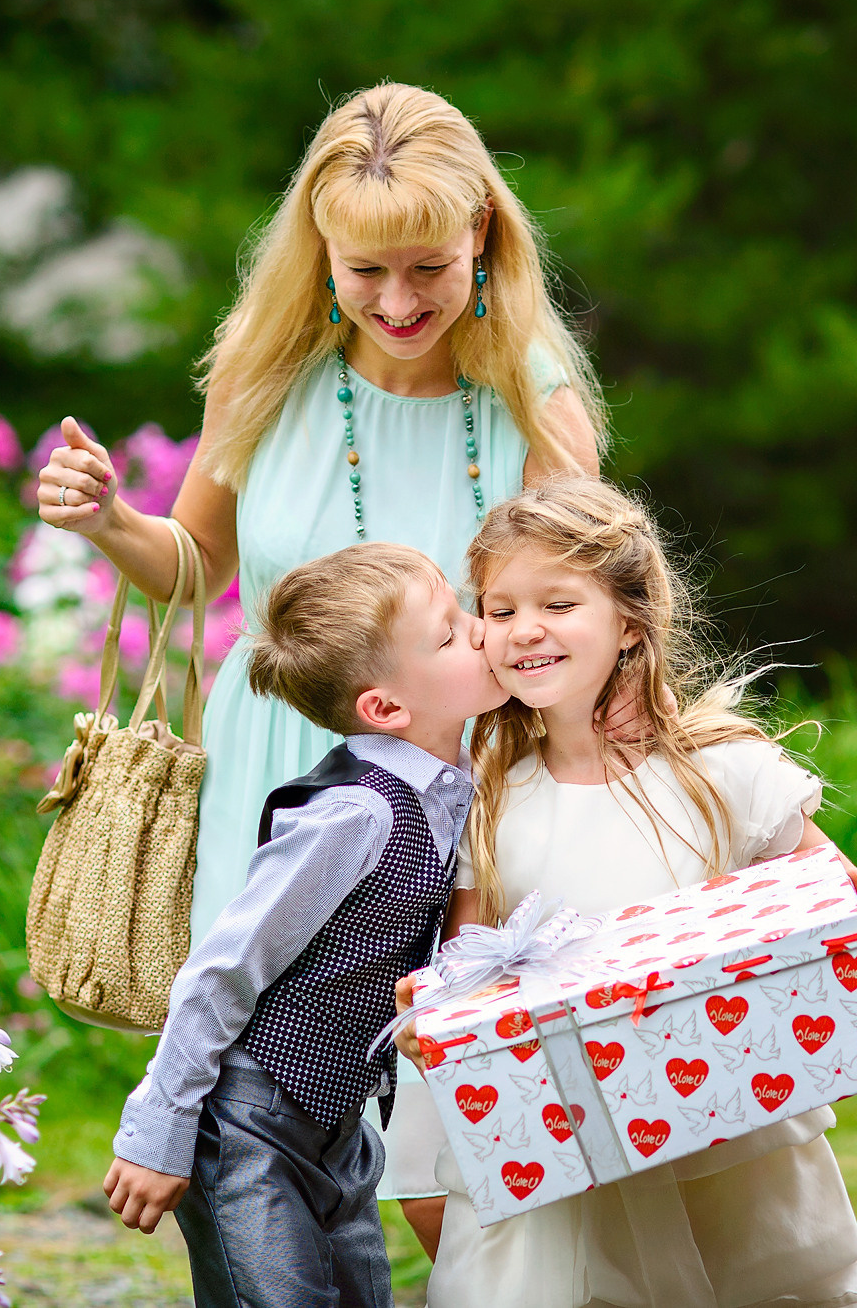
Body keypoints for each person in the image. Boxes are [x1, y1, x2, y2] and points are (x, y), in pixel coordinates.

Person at [35, 81, 602, 1250]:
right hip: (281, 778)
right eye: (364, 271)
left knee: (460, 1116)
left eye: (429, 269)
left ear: (482, 239)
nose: (398, 302)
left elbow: (578, 609)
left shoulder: (529, 396)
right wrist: (105, 520)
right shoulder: (264, 372)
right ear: (322, 252)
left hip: (464, 781)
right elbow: (193, 565)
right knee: (257, 1104)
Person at [398, 475, 857, 1308]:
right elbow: (469, 953)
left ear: (630, 622)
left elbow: (840, 892)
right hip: (563, 1133)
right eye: (499, 606)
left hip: (724, 1124)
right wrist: (437, 1007)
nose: (524, 629)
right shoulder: (487, 788)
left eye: (558, 603)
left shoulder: (720, 773)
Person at [103, 542, 507, 1307]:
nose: (482, 629)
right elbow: (226, 965)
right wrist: (160, 1124)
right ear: (384, 708)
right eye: (452, 631)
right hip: (247, 1124)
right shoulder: (353, 814)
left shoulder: (456, 787)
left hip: (339, 1127)